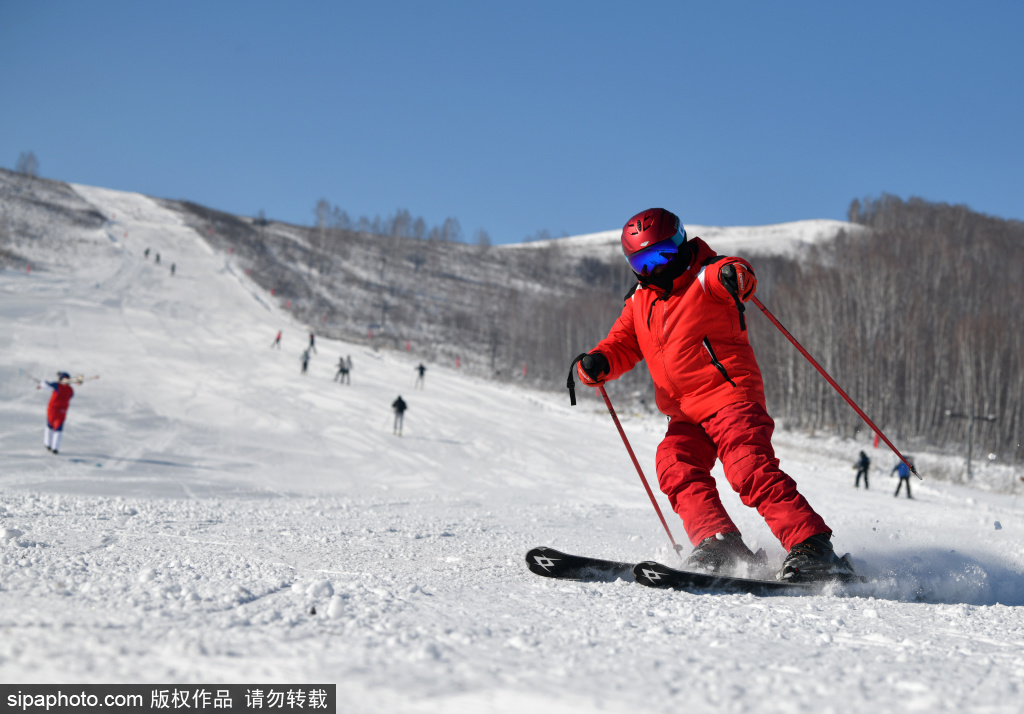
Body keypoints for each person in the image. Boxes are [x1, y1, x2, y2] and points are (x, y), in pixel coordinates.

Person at [573, 208, 853, 582]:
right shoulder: (639, 301)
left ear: (681, 243)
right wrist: (597, 362)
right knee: (674, 463)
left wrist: (733, 275)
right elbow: (622, 342)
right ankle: (718, 543)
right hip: (685, 413)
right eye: (643, 261)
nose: (655, 268)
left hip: (730, 398)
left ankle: (813, 546)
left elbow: (737, 272)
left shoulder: (707, 277)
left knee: (748, 468)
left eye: (663, 255)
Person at [38, 372, 74, 454]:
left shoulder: (57, 386)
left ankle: (51, 446)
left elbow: (46, 386)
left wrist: (42, 383)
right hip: (59, 411)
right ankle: (52, 446)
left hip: (55, 410)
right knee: (55, 427)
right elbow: (70, 398)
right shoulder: (70, 390)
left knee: (54, 427)